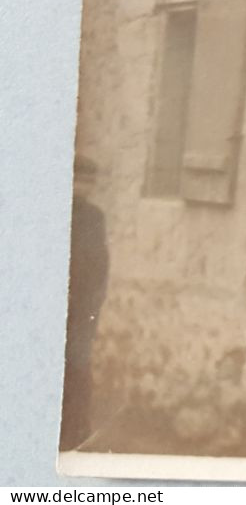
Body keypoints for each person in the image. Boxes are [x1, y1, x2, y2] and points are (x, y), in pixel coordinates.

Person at [61, 155, 110, 451]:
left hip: (82, 307)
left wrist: (93, 303)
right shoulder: (57, 213)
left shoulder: (95, 217)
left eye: (89, 182)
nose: (84, 187)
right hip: (57, 304)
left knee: (78, 363)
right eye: (79, 180)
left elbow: (100, 262)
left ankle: (77, 430)